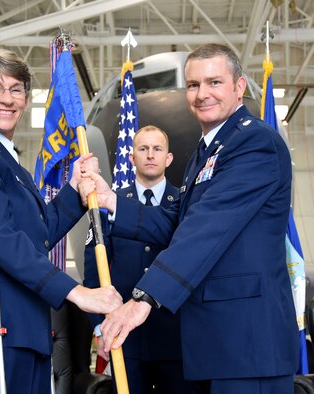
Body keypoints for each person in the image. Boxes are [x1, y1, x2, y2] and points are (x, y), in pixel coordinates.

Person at [80, 43, 300, 394]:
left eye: (215, 82)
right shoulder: (207, 152)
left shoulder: (255, 143)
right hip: (216, 345)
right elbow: (180, 222)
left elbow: (206, 228)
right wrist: (111, 202)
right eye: (194, 85)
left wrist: (144, 298)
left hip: (248, 345)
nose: (202, 94)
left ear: (239, 87)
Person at [0, 47, 122, 394]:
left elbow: (38, 237)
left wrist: (74, 189)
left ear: (25, 99)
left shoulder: (10, 163)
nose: (6, 99)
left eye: (16, 89)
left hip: (25, 329)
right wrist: (77, 292)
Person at [84, 125, 191, 393]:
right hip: (124, 337)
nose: (150, 155)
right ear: (132, 158)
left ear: (168, 158)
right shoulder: (110, 202)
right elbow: (93, 270)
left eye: (157, 149)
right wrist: (99, 328)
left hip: (175, 335)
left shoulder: (186, 204)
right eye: (143, 149)